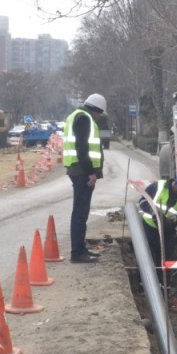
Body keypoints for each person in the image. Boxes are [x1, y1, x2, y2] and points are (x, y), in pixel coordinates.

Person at [63, 93, 107, 263]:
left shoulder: (76, 116)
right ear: (96, 110)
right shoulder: (84, 119)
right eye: (99, 114)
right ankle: (77, 253)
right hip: (82, 172)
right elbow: (83, 148)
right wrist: (91, 172)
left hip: (77, 170)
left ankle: (80, 248)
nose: (98, 118)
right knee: (80, 213)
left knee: (81, 212)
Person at [139, 172, 177, 278]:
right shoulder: (158, 186)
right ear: (175, 182)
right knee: (149, 257)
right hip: (150, 228)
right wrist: (153, 211)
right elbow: (142, 202)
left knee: (166, 259)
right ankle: (143, 285)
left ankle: (164, 286)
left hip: (168, 231)